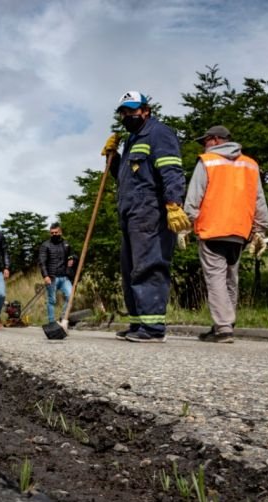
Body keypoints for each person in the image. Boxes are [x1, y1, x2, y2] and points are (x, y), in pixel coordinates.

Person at [101, 91, 189, 343]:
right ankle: (138, 323)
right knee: (130, 270)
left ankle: (153, 328)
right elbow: (126, 178)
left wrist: (174, 204)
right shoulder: (131, 140)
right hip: (130, 215)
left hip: (151, 211)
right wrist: (113, 157)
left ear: (146, 110)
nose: (128, 115)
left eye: (132, 110)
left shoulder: (159, 133)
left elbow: (171, 169)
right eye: (124, 112)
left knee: (149, 265)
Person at [183, 125, 268, 343]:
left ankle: (223, 328)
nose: (204, 145)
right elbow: (259, 198)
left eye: (205, 141)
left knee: (216, 280)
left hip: (212, 229)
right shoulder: (250, 164)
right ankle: (226, 322)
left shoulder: (207, 162)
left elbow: (194, 196)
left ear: (214, 140)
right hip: (240, 231)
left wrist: (185, 224)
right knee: (232, 279)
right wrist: (260, 228)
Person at [38, 222, 74, 324]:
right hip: (52, 277)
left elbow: (72, 255)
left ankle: (62, 318)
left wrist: (72, 259)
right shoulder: (45, 245)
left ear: (60, 232)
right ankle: (52, 323)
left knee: (70, 297)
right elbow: (42, 262)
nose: (54, 234)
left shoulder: (66, 244)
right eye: (52, 233)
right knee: (52, 300)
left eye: (56, 232)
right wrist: (45, 276)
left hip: (64, 277)